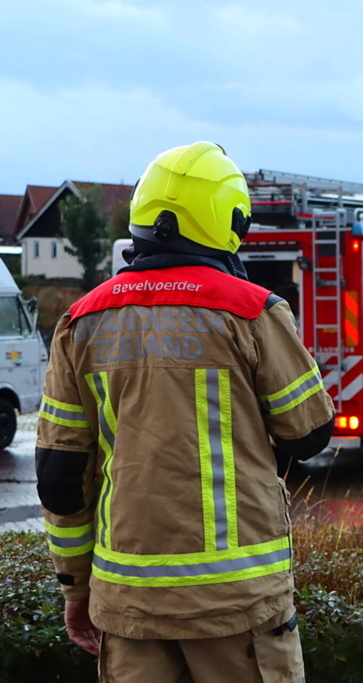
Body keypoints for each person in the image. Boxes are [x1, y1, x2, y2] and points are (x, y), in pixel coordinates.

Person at [35, 142, 334, 681]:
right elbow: (308, 434)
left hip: (128, 606)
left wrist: (76, 589)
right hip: (239, 603)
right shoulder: (252, 311)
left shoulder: (81, 322)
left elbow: (59, 476)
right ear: (227, 220)